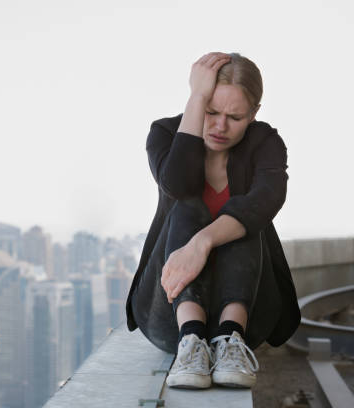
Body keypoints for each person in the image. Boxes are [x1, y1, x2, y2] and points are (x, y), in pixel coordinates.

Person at [124, 52, 301, 389]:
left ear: (253, 114)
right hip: (169, 313)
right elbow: (178, 184)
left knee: (243, 211)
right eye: (210, 111)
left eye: (234, 116)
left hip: (250, 312)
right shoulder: (163, 133)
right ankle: (192, 340)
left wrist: (202, 243)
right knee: (187, 205)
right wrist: (196, 97)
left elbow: (267, 201)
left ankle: (230, 338)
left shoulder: (265, 143)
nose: (220, 126)